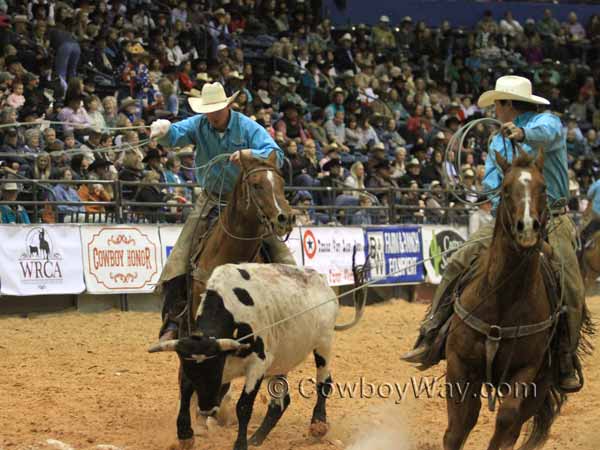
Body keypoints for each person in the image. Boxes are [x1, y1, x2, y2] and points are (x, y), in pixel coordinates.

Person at [401, 75, 586, 392]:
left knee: (568, 278)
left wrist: (523, 132)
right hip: (507, 220)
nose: (495, 111)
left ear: (508, 104)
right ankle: (431, 331)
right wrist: (505, 210)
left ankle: (565, 355)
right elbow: (490, 182)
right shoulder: (497, 141)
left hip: (552, 217)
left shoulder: (546, 122)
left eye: (498, 104)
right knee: (460, 259)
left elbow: (548, 134)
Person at [149, 82, 295, 342]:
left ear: (228, 106)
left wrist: (251, 154)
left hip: (247, 200)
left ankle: (294, 307)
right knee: (180, 255)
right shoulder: (199, 125)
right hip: (211, 197)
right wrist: (164, 130)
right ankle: (174, 318)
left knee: (281, 252)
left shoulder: (247, 127)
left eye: (217, 108)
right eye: (209, 110)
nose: (212, 114)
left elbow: (276, 154)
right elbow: (176, 135)